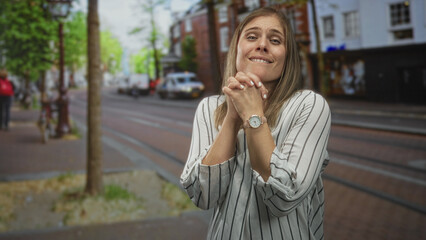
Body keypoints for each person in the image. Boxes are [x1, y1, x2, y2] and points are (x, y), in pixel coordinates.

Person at [180, 7, 331, 239]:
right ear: (236, 48)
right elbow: (202, 195)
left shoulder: (309, 106)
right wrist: (231, 117)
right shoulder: (209, 108)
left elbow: (283, 198)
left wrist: (253, 115)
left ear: (286, 56)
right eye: (252, 36)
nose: (262, 45)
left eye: (275, 39)